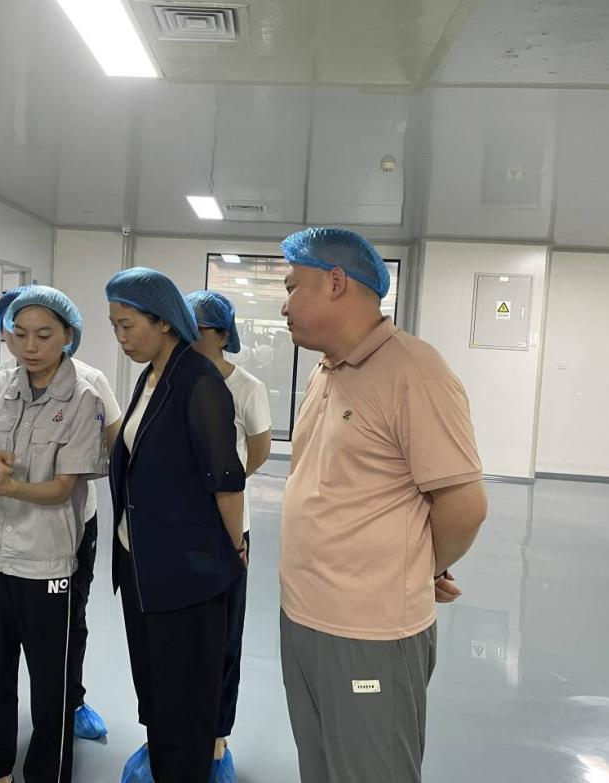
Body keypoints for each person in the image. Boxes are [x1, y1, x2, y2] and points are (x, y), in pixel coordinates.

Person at [278, 227, 487, 783]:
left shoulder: (416, 373)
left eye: (293, 286)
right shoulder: (326, 370)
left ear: (336, 283)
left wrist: (421, 566)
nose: (284, 304)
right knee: (320, 765)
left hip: (370, 631)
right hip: (304, 616)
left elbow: (463, 504)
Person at [0, 286, 108, 783]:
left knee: (50, 682)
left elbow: (62, 488)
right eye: (19, 334)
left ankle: (47, 773)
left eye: (43, 335)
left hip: (47, 560)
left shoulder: (84, 396)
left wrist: (9, 486)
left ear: (68, 335)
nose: (30, 346)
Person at [106, 268, 246, 783]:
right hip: (143, 561)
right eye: (114, 327)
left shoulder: (199, 381)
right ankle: (163, 763)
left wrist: (235, 546)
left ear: (163, 321)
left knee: (185, 696)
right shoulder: (151, 376)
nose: (120, 338)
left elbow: (226, 479)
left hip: (187, 571)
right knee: (156, 684)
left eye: (127, 326)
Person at [186, 290, 272, 783]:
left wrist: (222, 485)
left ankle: (218, 734)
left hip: (227, 527)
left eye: (198, 329)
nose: (187, 337)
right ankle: (169, 729)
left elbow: (257, 452)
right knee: (176, 636)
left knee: (223, 636)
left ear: (222, 335)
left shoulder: (246, 388)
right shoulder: (169, 379)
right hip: (176, 528)